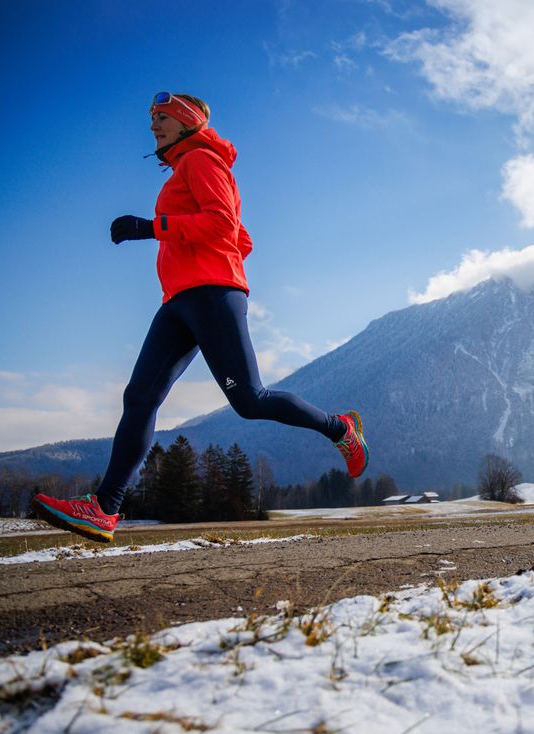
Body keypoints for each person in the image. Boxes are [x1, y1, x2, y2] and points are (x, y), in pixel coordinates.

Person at [33, 92, 368, 543]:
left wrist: (152, 229)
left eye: (162, 119)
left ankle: (340, 428)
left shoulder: (201, 161)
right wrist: (205, 250)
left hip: (210, 295)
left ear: (187, 122)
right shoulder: (186, 168)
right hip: (179, 300)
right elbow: (240, 238)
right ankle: (104, 508)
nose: (153, 126)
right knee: (140, 397)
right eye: (151, 120)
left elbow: (223, 227)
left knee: (250, 401)